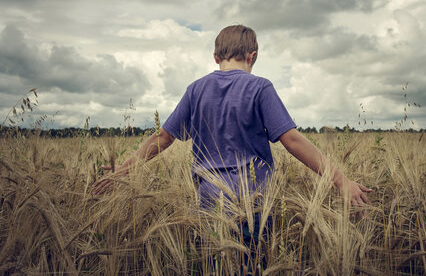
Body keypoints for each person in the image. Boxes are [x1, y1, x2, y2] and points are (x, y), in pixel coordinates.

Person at [91, 24, 371, 268]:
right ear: (253, 57)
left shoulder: (195, 89)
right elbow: (293, 141)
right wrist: (339, 179)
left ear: (215, 57)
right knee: (254, 266)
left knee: (216, 265)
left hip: (209, 202)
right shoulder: (260, 88)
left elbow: (162, 139)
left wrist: (123, 170)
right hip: (256, 201)